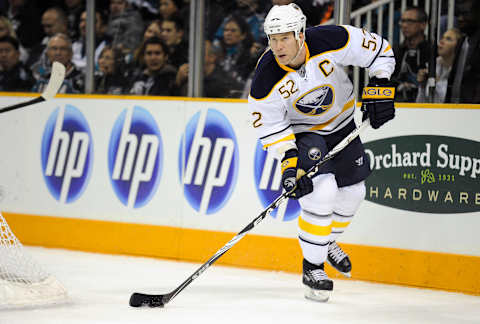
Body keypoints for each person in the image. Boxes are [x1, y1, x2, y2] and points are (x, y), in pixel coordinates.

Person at [248, 4, 395, 302]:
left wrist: (381, 83)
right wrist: (290, 168)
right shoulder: (265, 78)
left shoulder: (331, 39)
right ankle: (312, 267)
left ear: (301, 34)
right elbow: (273, 130)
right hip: (304, 134)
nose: (278, 46)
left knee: (354, 193)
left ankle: (325, 242)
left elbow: (380, 50)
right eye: (272, 39)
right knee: (323, 190)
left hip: (343, 124)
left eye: (285, 38)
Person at [174, 40, 243, 98]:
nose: (193, 57)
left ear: (212, 58)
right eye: (192, 53)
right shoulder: (187, 77)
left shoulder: (223, 83)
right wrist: (178, 81)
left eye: (199, 54)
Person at [392, 6, 430, 102]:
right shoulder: (395, 51)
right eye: (402, 21)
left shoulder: (431, 51)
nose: (404, 25)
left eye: (409, 21)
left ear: (423, 25)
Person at [445, 0, 480, 103]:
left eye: (465, 14)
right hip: (456, 108)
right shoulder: (461, 42)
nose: (460, 19)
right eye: (458, 14)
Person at [416, 28, 461, 103]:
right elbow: (420, 104)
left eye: (448, 39)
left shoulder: (460, 70)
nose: (441, 41)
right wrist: (422, 86)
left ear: (458, 45)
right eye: (442, 38)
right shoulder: (433, 64)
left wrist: (437, 82)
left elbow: (450, 102)